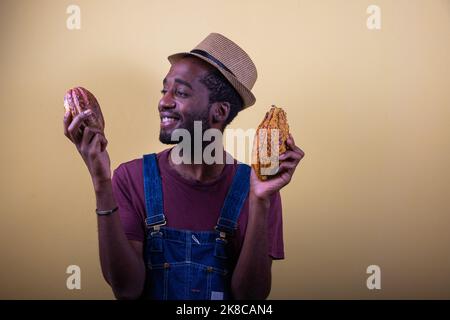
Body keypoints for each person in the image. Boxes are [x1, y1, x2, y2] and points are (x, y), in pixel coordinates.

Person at [63, 33, 305, 300]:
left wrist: (259, 201)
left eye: (179, 92)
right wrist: (101, 182)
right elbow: (127, 290)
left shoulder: (259, 188)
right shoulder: (129, 178)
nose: (163, 101)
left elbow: (250, 299)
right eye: (164, 90)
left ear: (219, 112)